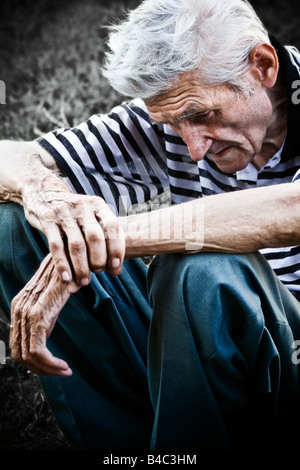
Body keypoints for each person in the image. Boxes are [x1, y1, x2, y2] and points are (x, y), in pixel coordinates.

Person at [1, 0, 300, 450]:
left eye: (202, 115)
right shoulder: (179, 106)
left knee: (200, 273)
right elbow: (9, 156)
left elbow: (290, 210)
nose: (194, 148)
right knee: (17, 225)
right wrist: (48, 198)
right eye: (174, 124)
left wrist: (109, 237)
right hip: (198, 343)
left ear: (262, 66)